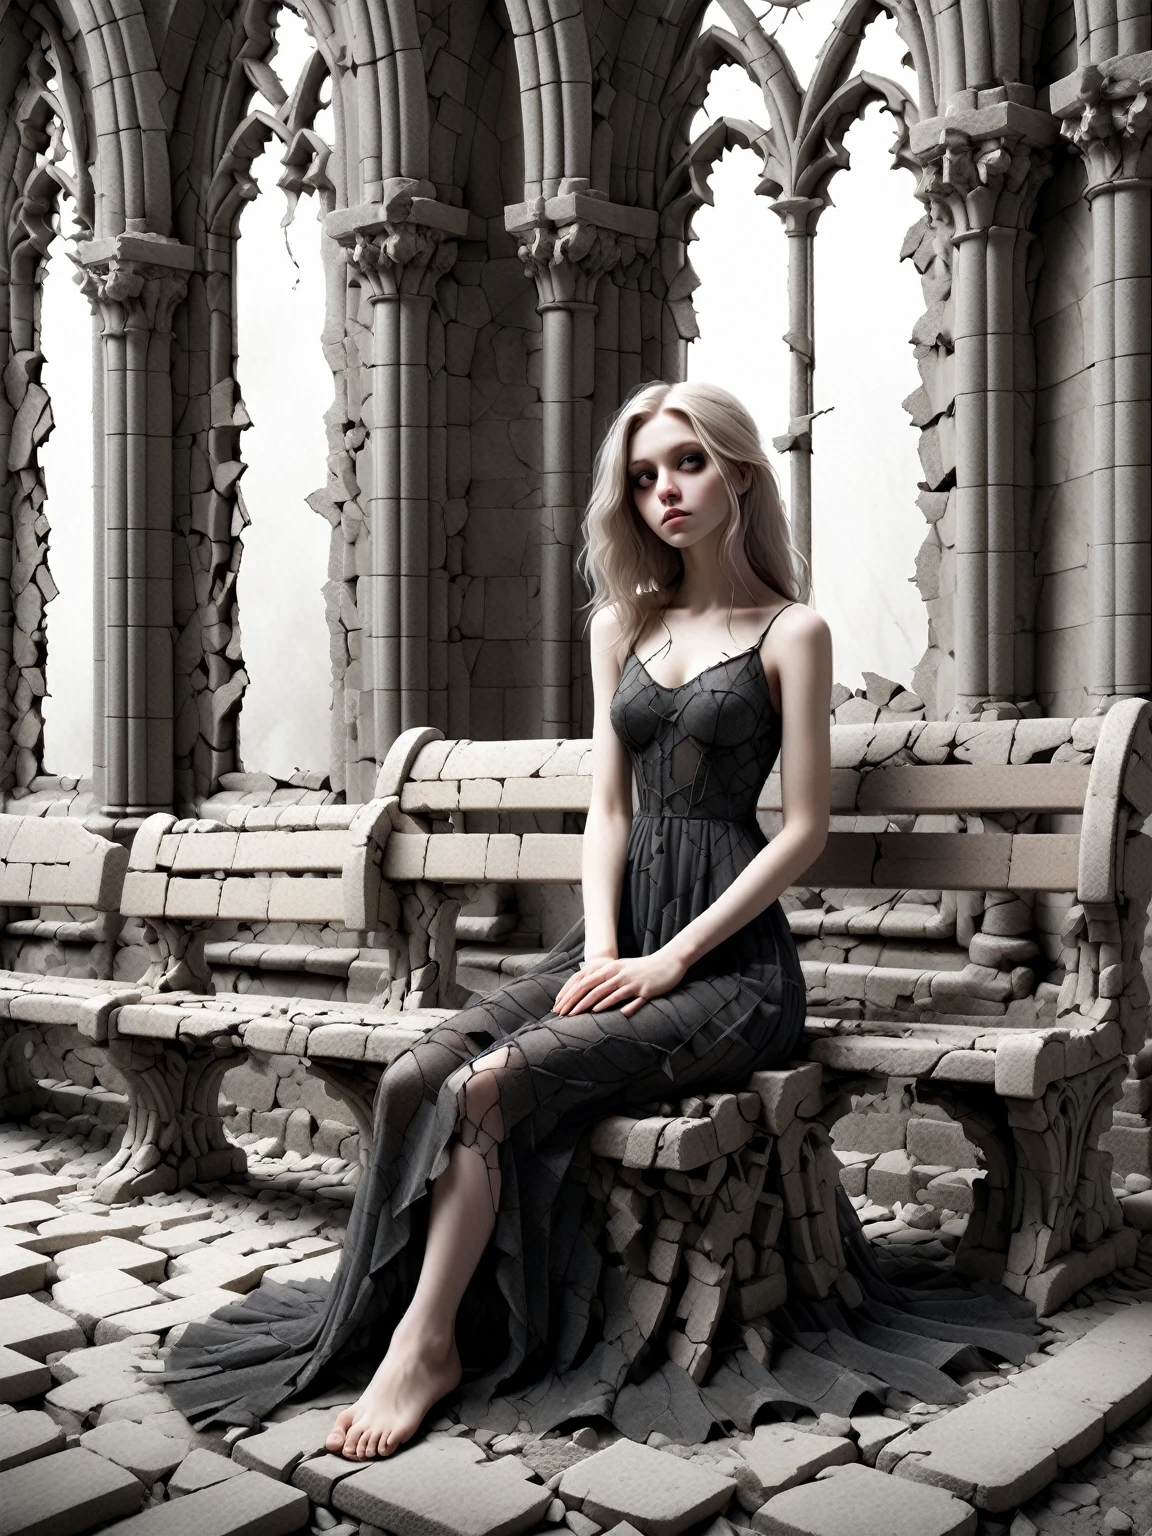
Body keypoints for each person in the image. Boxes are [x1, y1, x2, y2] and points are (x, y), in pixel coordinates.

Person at [161, 380, 1042, 1459]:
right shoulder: (620, 625)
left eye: (688, 464)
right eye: (642, 476)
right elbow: (608, 805)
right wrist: (612, 943)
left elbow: (803, 829)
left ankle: (429, 1345)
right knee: (411, 1079)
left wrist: (673, 957)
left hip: (731, 972)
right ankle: (393, 1312)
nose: (665, 491)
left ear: (738, 473)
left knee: (489, 1089)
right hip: (617, 940)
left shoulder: (790, 632)